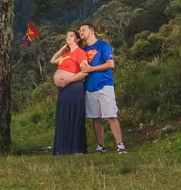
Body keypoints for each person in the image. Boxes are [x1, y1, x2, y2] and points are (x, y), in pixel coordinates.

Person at [78, 22, 125, 153]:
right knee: (95, 118)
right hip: (89, 87)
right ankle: (101, 146)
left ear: (91, 32)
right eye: (80, 31)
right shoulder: (83, 51)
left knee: (111, 115)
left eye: (83, 30)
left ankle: (120, 145)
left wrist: (91, 69)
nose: (81, 32)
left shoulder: (103, 45)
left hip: (104, 85)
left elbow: (110, 64)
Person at [50, 31, 89, 155]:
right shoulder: (66, 54)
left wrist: (68, 80)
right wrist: (64, 47)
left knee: (74, 115)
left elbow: (84, 71)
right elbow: (53, 60)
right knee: (63, 116)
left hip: (73, 87)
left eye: (71, 36)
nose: (68, 38)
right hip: (63, 89)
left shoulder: (80, 53)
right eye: (66, 36)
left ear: (78, 39)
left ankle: (76, 148)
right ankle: (63, 147)